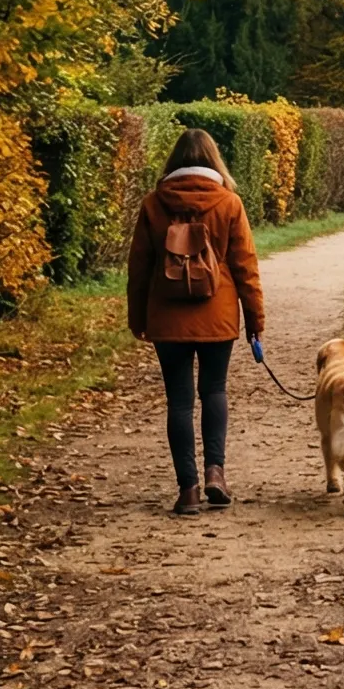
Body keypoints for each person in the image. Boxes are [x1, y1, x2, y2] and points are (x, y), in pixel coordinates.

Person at [125, 128, 266, 516]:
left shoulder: (154, 204)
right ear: (214, 160)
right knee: (214, 391)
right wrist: (255, 320)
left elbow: (139, 268)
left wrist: (138, 318)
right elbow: (245, 268)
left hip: (166, 317)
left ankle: (188, 490)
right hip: (216, 313)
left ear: (173, 161)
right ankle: (216, 474)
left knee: (180, 400)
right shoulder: (229, 203)